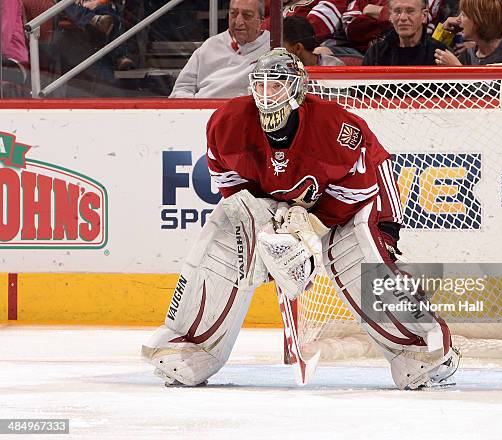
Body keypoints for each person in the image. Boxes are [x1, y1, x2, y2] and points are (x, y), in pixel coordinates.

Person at [142, 48, 459, 390]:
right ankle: (192, 345)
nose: (267, 94)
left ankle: (422, 349)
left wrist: (313, 225)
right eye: (260, 85)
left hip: (360, 193)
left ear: (298, 89)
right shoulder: (227, 122)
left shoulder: (335, 127)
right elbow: (231, 184)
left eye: (276, 85)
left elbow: (358, 186)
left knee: (354, 257)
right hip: (286, 196)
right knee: (228, 232)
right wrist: (267, 219)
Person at [169, 0, 269, 99]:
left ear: (261, 20)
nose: (238, 21)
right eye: (233, 14)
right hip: (203, 109)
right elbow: (181, 90)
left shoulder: (273, 46)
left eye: (247, 15)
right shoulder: (210, 45)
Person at [434, 0, 502, 65]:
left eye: (464, 15)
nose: (458, 20)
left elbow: (493, 91)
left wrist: (458, 69)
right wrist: (444, 31)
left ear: (478, 20)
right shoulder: (468, 53)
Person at [362, 0, 447, 65]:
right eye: (397, 11)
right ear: (390, 16)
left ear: (424, 16)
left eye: (410, 11)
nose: (402, 18)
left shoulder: (440, 55)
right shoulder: (375, 53)